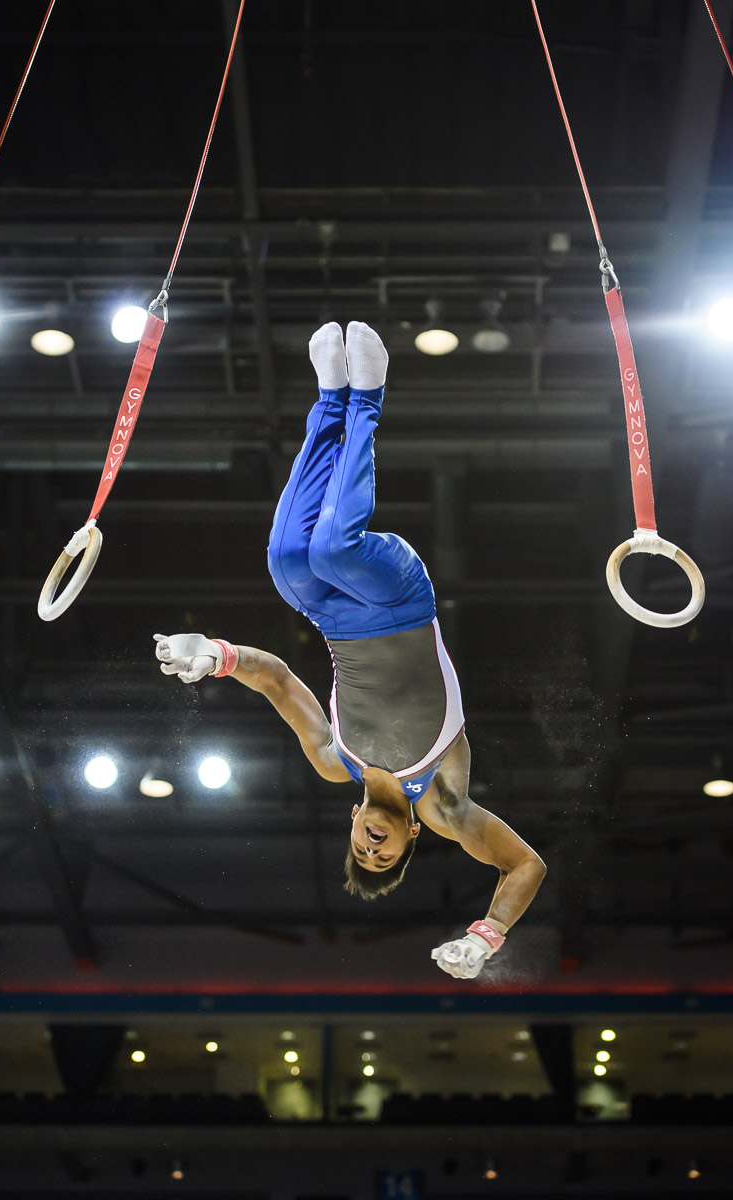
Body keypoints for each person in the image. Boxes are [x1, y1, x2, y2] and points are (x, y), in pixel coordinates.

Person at [154, 321, 546, 979]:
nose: (371, 851)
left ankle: (330, 397)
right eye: (384, 858)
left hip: (334, 617)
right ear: (409, 838)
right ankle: (367, 398)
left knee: (286, 559)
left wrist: (214, 653)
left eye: (360, 855)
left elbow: (276, 678)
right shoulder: (442, 804)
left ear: (353, 827)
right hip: (400, 599)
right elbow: (525, 863)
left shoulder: (337, 763)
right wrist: (487, 936)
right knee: (334, 547)